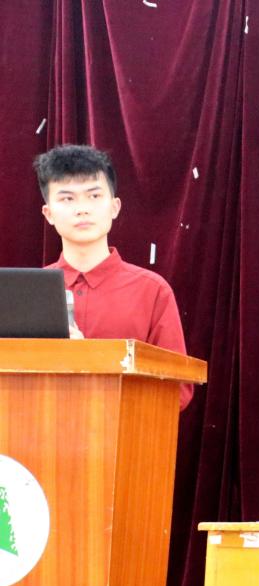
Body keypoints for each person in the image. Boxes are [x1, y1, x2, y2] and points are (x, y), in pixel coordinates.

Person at [35, 144, 193, 410]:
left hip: (124, 434)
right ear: (48, 214)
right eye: (67, 199)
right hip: (38, 434)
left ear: (115, 207)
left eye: (94, 195)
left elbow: (178, 390)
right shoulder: (27, 294)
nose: (82, 209)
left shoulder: (152, 291)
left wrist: (92, 363)